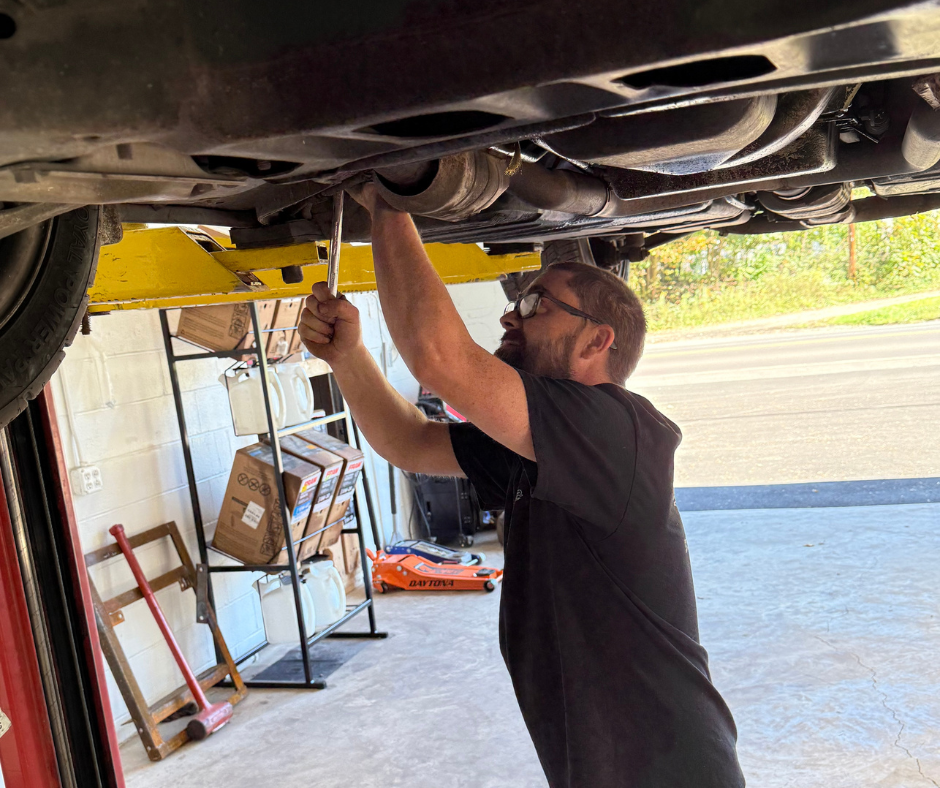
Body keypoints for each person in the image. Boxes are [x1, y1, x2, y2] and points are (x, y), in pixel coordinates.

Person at [298, 184, 745, 788]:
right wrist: (349, 357)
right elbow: (409, 441)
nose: (511, 314)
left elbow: (441, 360)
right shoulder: (540, 447)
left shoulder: (616, 428)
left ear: (596, 341)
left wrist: (392, 191)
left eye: (537, 307)